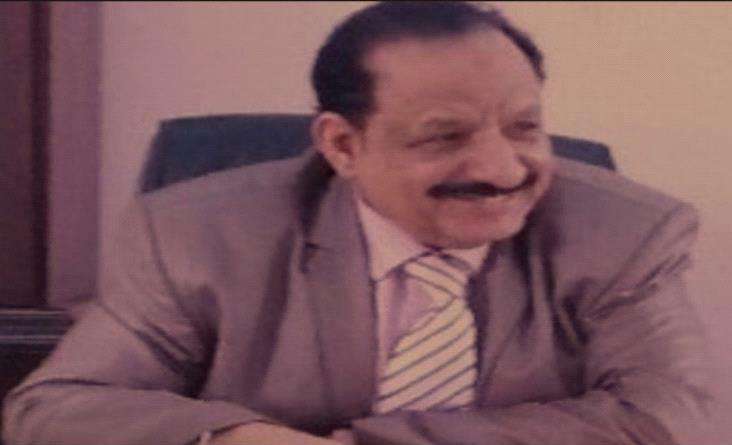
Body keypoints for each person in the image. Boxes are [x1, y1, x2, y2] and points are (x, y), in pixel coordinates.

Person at [3, 2, 711, 445]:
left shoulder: (624, 234)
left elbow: (670, 418)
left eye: (524, 127)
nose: (502, 169)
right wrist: (234, 438)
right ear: (341, 144)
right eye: (445, 136)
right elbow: (55, 410)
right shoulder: (195, 234)